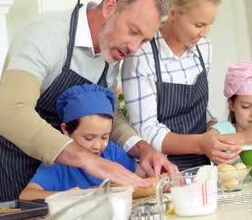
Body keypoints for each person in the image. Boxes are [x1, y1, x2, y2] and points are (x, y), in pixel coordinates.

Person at [0, 0, 178, 202]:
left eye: (143, 41)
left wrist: (141, 148)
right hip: (19, 162)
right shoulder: (45, 35)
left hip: (76, 163)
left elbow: (110, 113)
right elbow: (11, 113)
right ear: (110, 7)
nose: (133, 47)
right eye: (132, 31)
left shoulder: (111, 51)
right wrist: (87, 158)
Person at [122, 0, 240, 171]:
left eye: (209, 25)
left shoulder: (204, 48)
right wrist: (202, 143)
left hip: (204, 165)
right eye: (199, 25)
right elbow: (147, 130)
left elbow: (199, 109)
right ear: (174, 13)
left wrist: (214, 131)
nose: (205, 34)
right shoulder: (141, 56)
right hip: (163, 168)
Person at [20, 84, 153, 200]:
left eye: (105, 137)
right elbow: (26, 195)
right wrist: (67, 196)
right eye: (89, 138)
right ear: (66, 130)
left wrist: (158, 173)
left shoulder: (112, 152)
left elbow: (140, 174)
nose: (98, 146)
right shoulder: (58, 163)